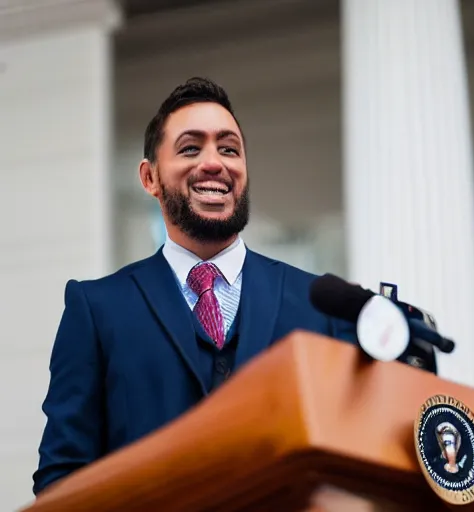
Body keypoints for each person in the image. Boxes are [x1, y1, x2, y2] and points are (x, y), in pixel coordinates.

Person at [32, 77, 359, 495]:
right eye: (190, 148)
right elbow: (62, 477)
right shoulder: (95, 309)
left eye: (229, 149)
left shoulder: (321, 304)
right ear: (150, 177)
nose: (214, 163)